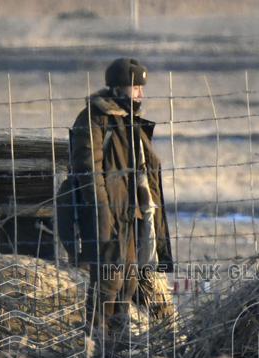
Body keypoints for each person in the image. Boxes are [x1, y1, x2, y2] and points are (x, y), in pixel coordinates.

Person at [57, 57, 176, 336]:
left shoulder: (129, 121)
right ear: (119, 88)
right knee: (107, 284)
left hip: (131, 217)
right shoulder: (94, 118)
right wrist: (103, 218)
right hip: (108, 217)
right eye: (136, 88)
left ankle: (118, 349)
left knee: (129, 283)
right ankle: (95, 344)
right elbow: (89, 171)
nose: (141, 94)